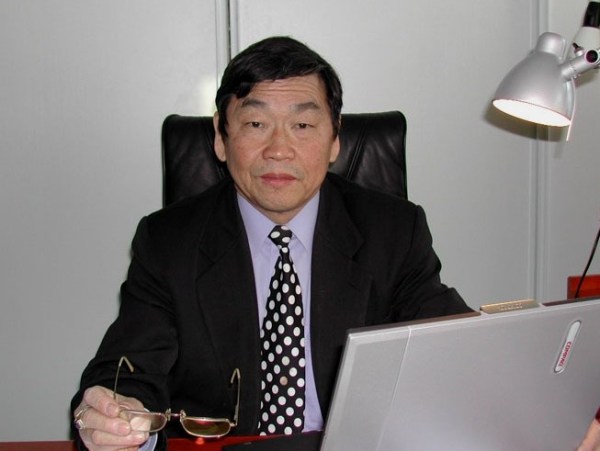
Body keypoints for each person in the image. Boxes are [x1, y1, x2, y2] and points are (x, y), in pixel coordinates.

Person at [70, 36, 599, 451]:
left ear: (335, 140)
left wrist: (542, 415)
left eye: (303, 124)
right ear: (220, 138)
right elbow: (127, 371)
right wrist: (113, 417)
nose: (279, 149)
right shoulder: (169, 241)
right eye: (255, 123)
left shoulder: (393, 231)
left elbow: (458, 349)